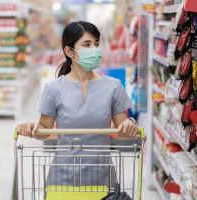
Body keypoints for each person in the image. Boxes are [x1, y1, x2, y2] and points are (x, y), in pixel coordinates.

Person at [16, 21, 139, 188]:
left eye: (96, 44)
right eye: (87, 45)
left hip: (101, 177)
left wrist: (129, 125)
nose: (94, 50)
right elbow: (44, 130)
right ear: (69, 51)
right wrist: (31, 129)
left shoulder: (114, 86)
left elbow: (123, 130)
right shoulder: (53, 89)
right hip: (63, 177)